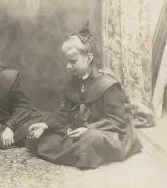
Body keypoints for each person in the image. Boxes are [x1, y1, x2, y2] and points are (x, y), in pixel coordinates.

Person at [26, 22, 143, 169]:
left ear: (88, 58)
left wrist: (88, 128)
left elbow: (117, 121)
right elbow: (64, 117)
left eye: (73, 61)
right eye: (67, 61)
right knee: (40, 135)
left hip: (107, 130)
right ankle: (77, 151)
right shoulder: (71, 84)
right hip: (81, 129)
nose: (68, 66)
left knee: (90, 139)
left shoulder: (108, 85)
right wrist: (45, 125)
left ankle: (80, 152)